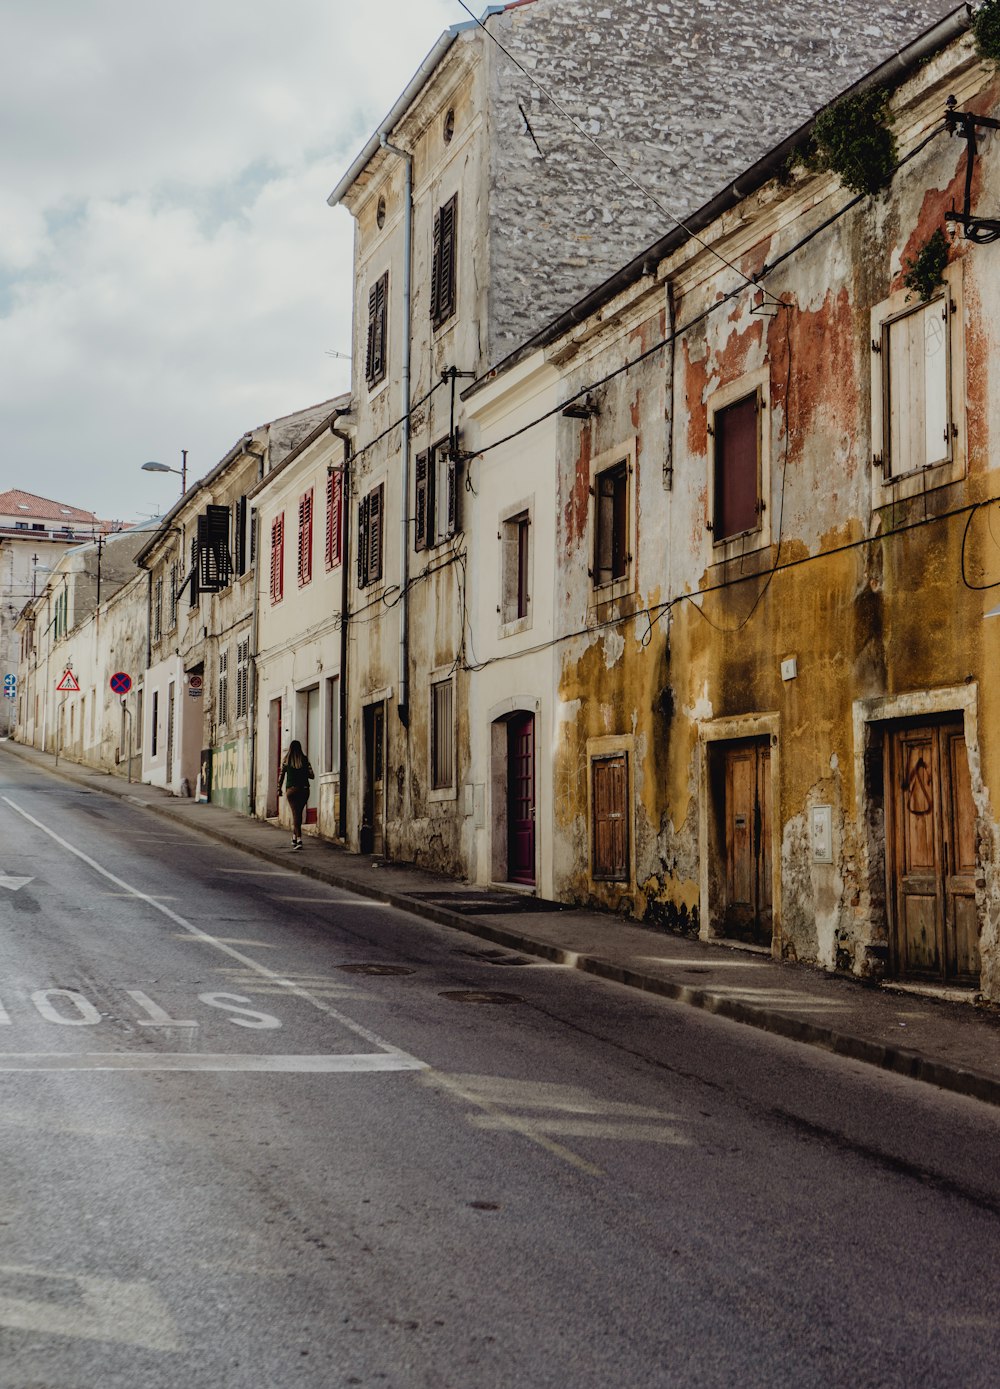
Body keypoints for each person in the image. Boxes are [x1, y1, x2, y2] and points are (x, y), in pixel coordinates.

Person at [277, 740, 314, 849]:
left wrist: (279, 789)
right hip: (304, 789)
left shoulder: (286, 760)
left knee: (296, 814)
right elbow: (312, 775)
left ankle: (298, 839)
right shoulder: (305, 759)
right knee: (297, 814)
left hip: (291, 790)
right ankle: (295, 837)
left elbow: (281, 776)